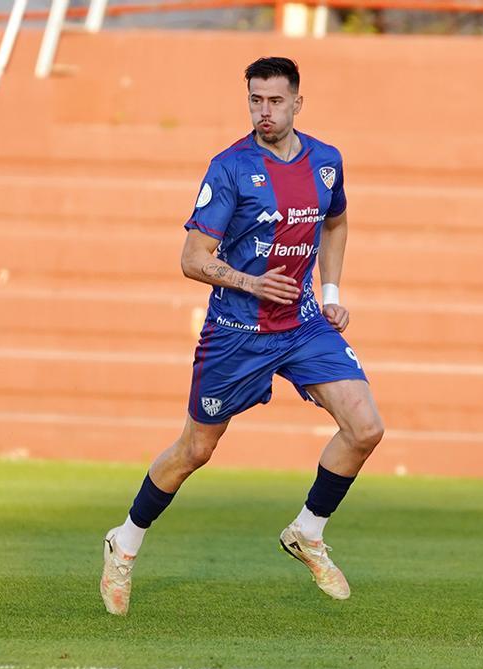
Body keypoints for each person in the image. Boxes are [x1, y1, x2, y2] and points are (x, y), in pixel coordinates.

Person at [99, 57, 385, 615]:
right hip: (236, 332)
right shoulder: (230, 168)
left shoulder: (326, 162)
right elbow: (191, 258)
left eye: (275, 101)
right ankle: (125, 540)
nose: (263, 111)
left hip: (302, 323)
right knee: (195, 450)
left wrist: (330, 295)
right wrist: (253, 282)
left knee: (366, 426)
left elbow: (336, 220)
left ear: (297, 103)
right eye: (255, 100)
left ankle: (307, 530)